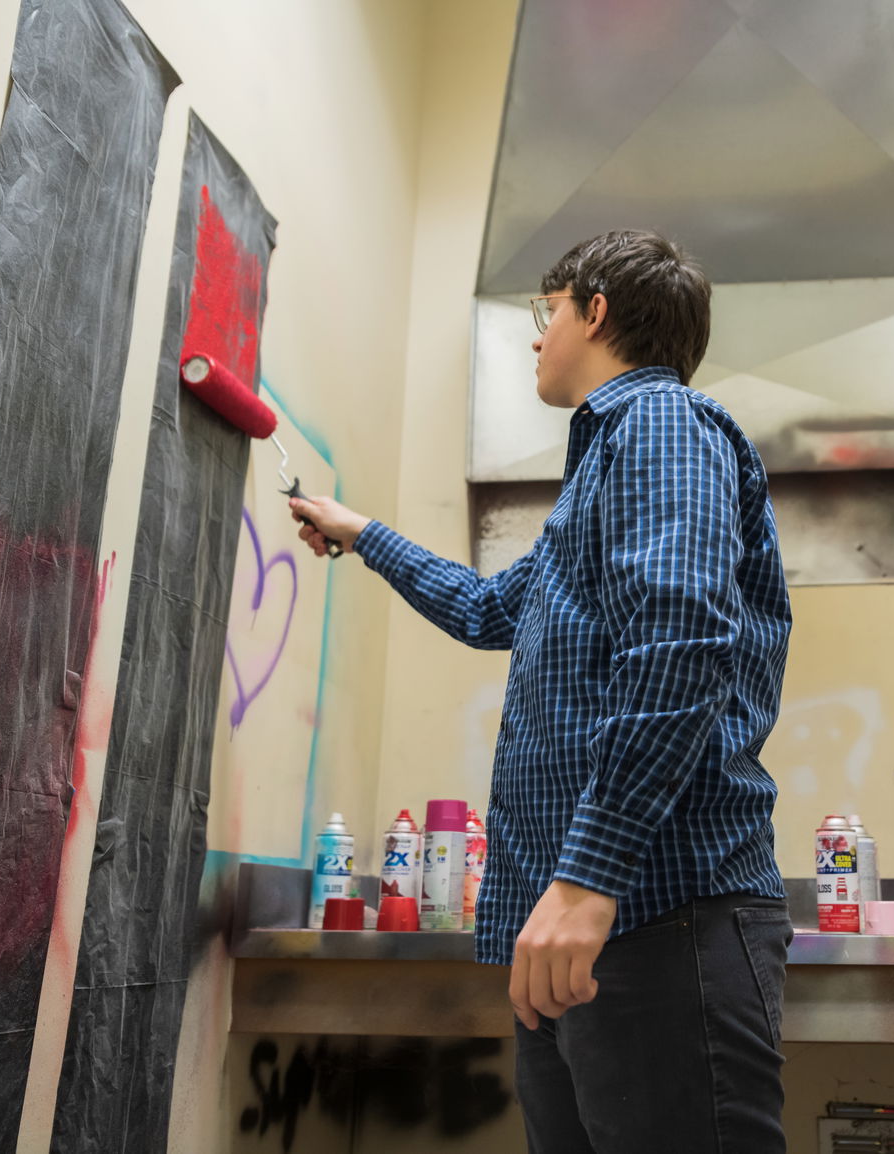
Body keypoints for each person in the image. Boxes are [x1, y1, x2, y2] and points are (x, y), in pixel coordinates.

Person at [289, 230, 793, 1153]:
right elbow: (487, 609)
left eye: (545, 312)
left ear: (595, 310)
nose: (536, 336)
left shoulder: (663, 425)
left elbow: (679, 643)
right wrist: (362, 533)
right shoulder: (595, 482)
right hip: (577, 925)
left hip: (650, 910)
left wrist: (587, 878)